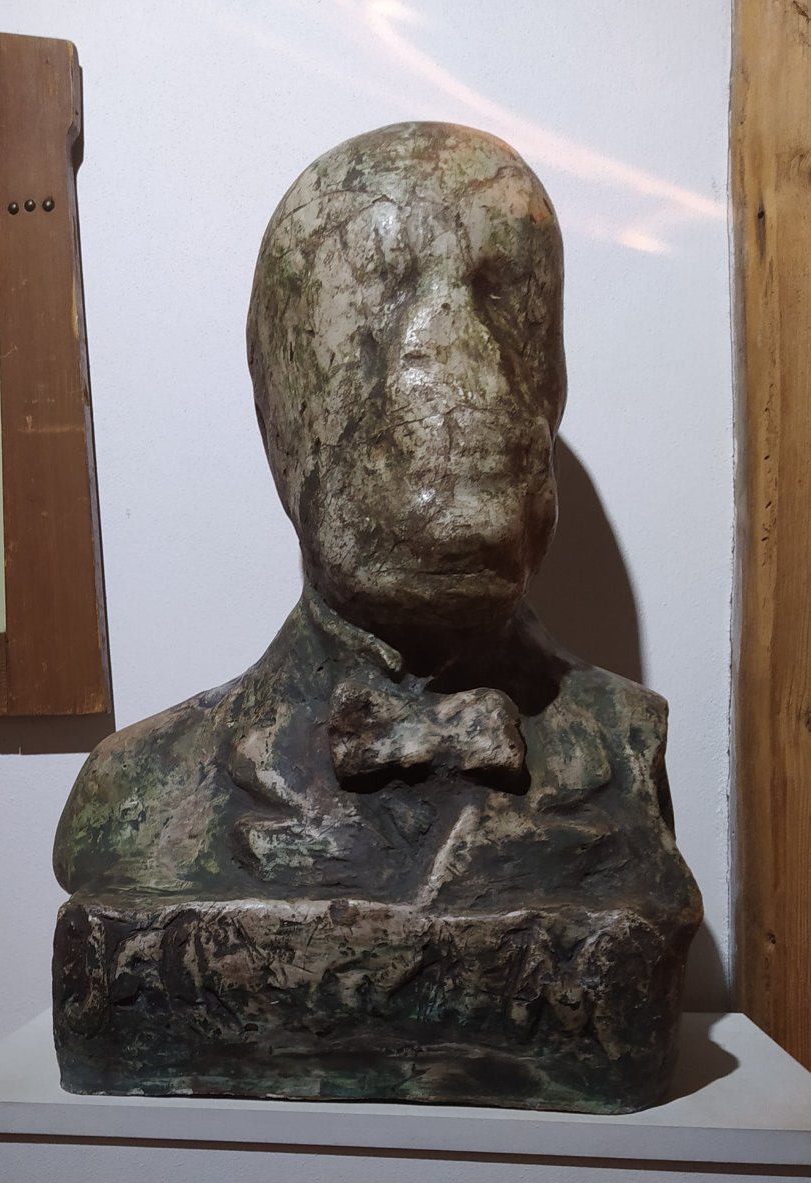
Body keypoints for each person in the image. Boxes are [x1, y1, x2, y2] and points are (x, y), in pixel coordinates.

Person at [53, 123, 701, 1110]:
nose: (457, 369)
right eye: (381, 291)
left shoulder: (625, 748)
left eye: (501, 298)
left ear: (551, 373)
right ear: (280, 401)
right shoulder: (137, 790)